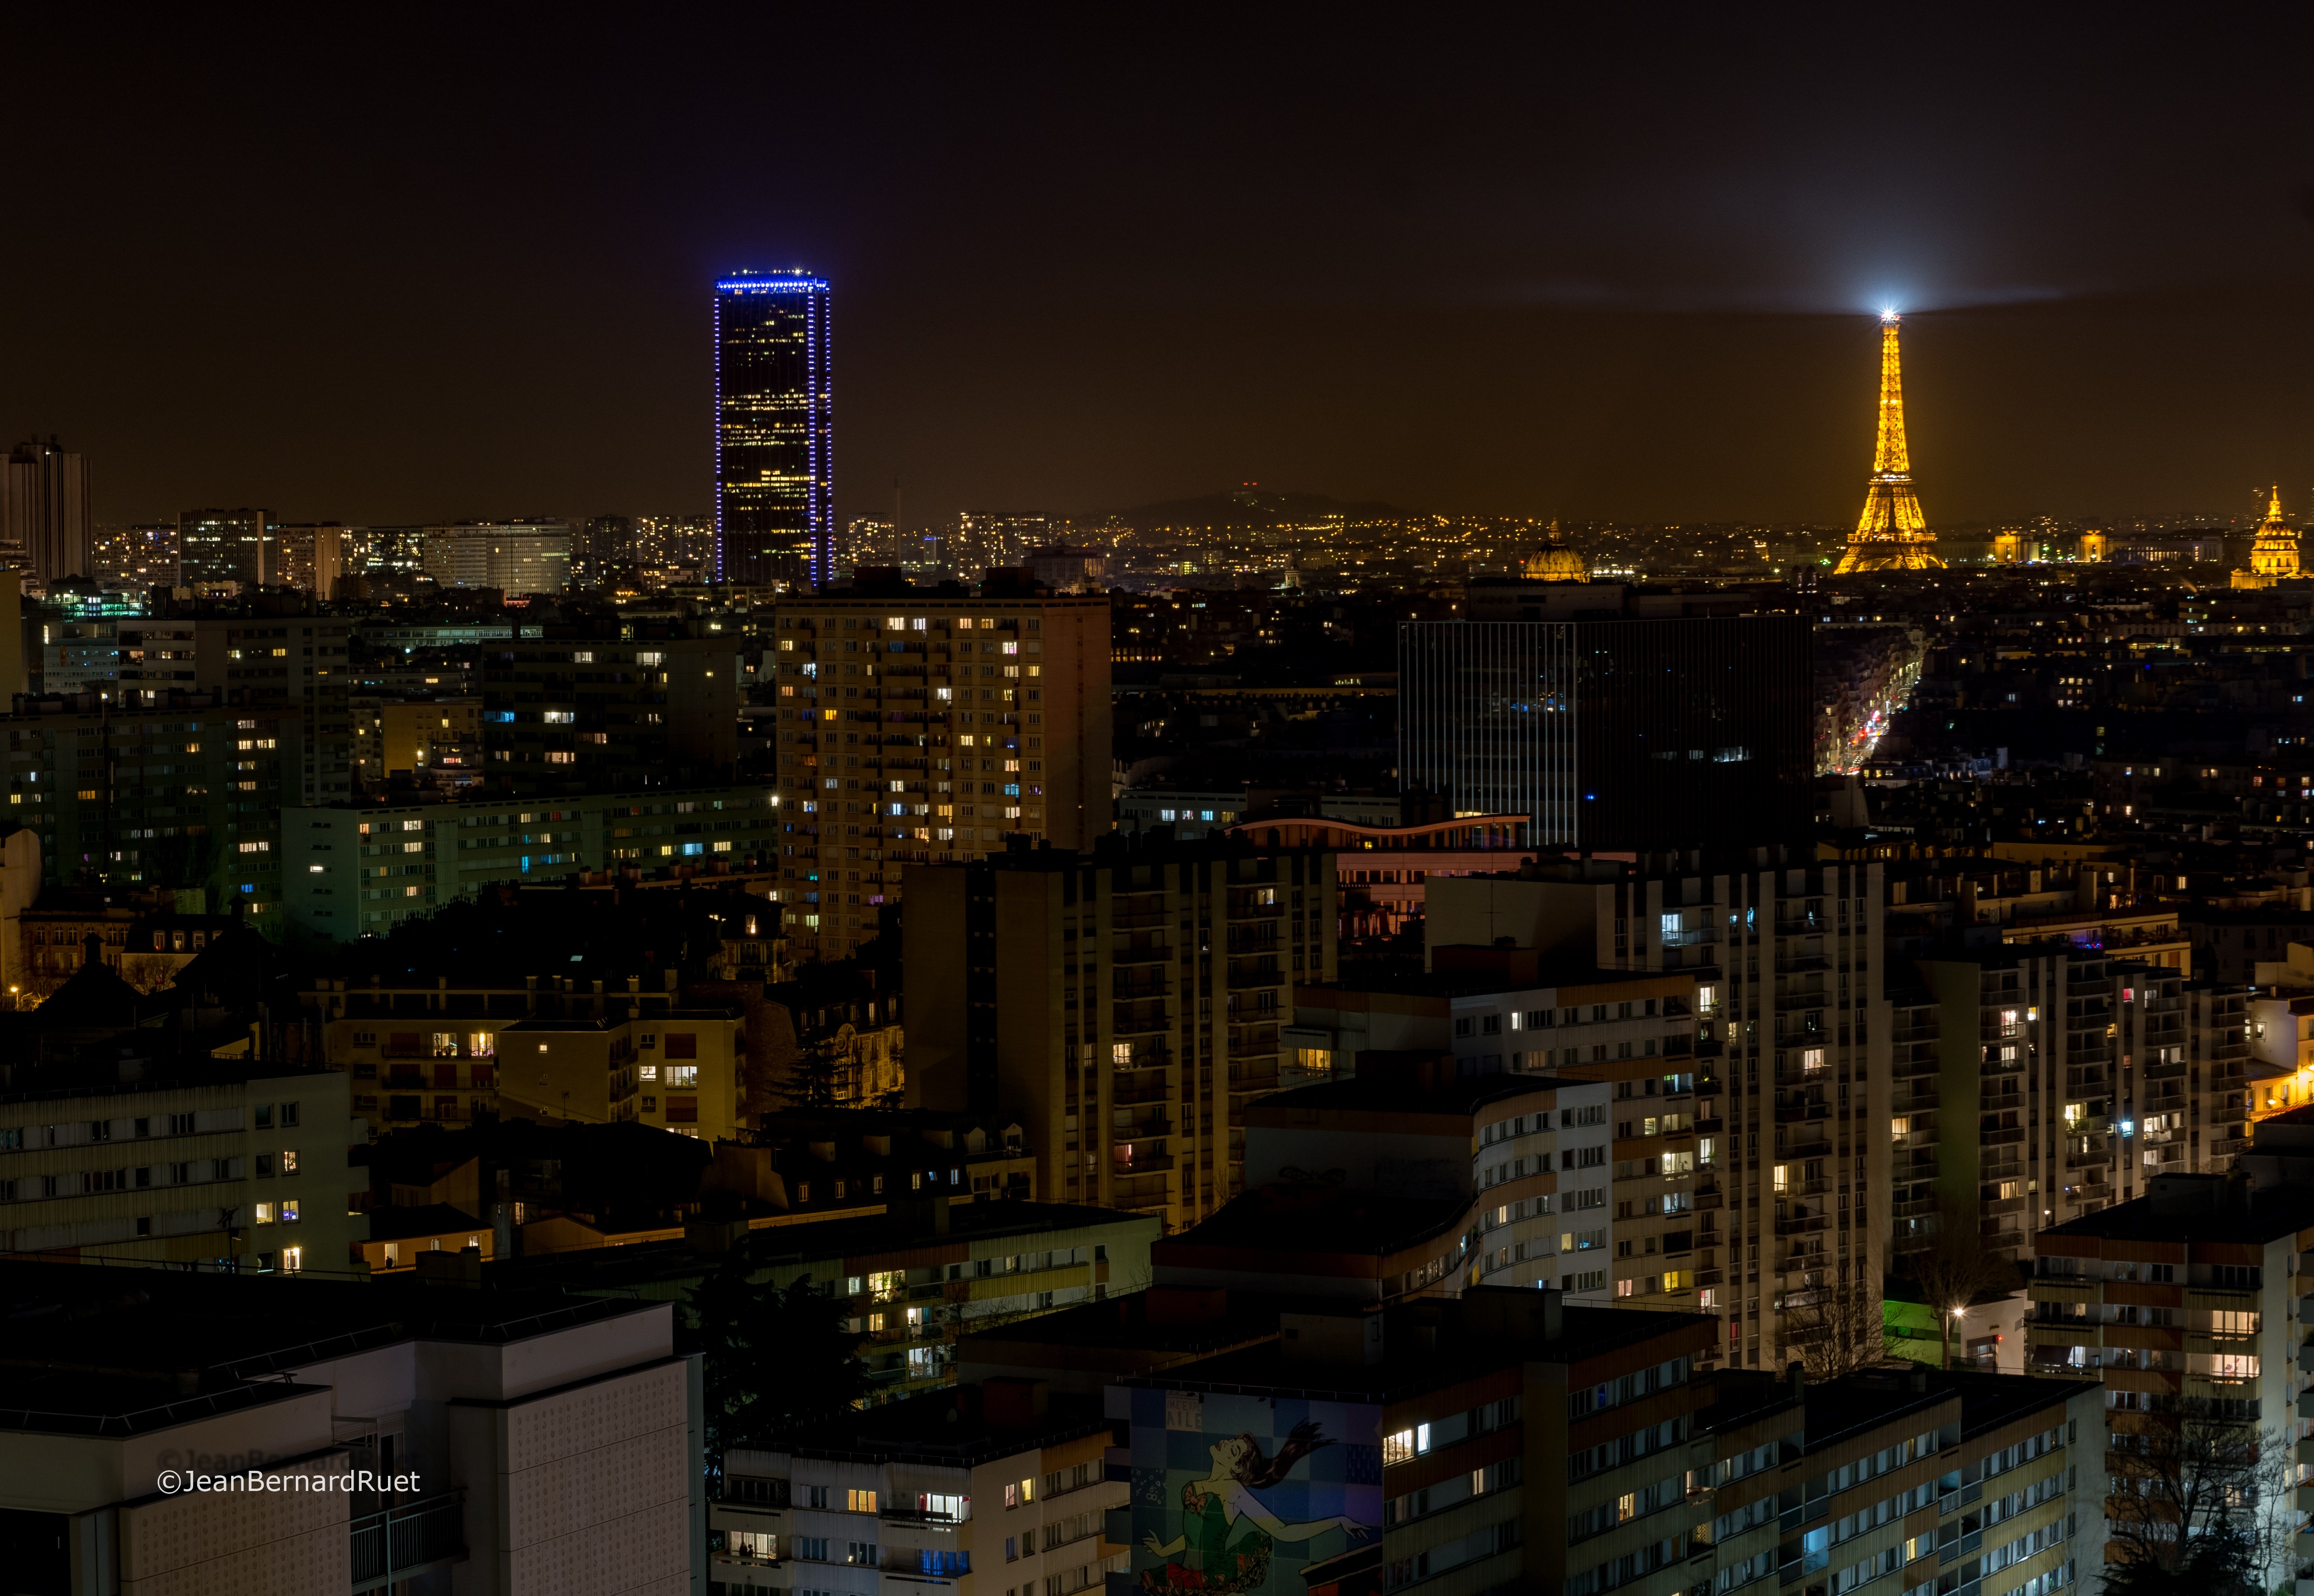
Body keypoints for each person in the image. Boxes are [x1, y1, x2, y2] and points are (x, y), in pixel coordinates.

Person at [1138, 1422, 1369, 1593]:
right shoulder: (1195, 1486)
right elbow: (1191, 1535)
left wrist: (1338, 1521)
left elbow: (1283, 1532)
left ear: (1236, 1467)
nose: (1227, 1442)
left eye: (1234, 1450)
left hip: (1212, 1580)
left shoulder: (1234, 1492)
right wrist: (1163, 1551)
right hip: (1182, 1577)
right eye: (1232, 1442)